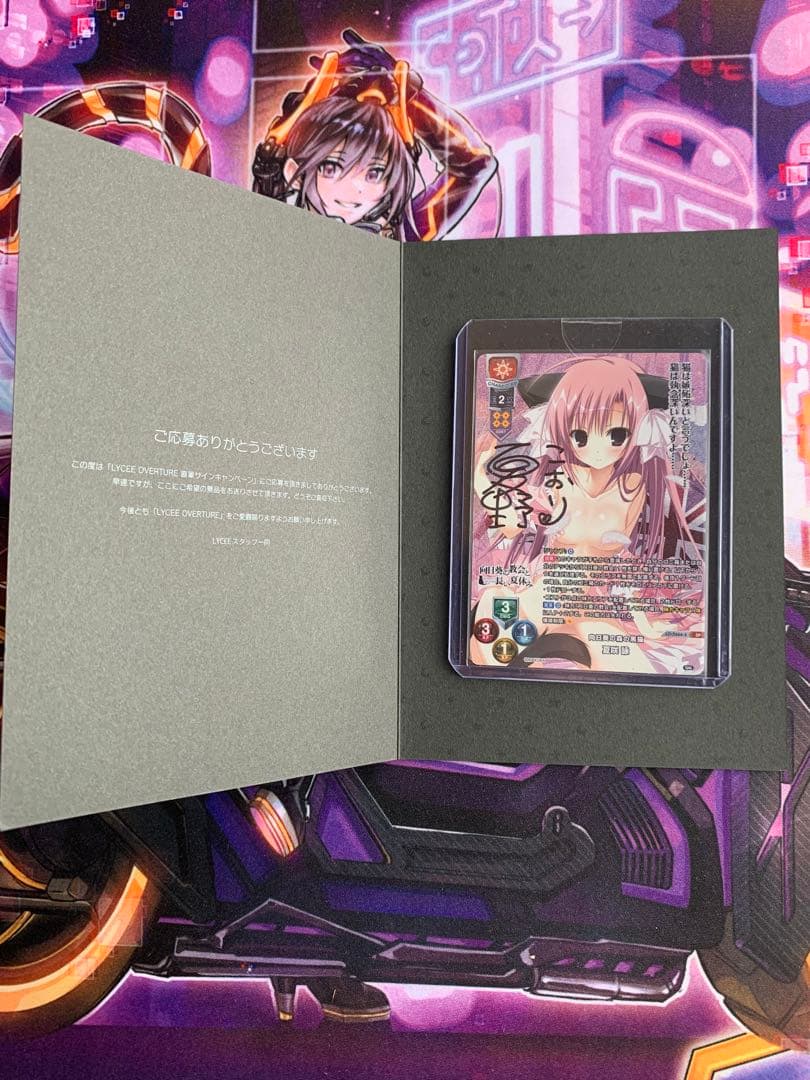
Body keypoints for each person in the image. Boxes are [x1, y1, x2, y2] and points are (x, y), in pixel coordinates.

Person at [252, 28, 498, 240]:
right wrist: (273, 157)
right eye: (332, 167)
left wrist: (411, 98)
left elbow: (476, 163)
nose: (355, 188)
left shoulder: (401, 234)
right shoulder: (277, 231)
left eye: (374, 173)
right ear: (293, 170)